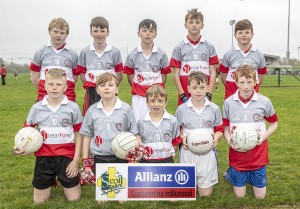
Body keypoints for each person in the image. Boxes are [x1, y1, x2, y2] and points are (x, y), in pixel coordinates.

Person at [12, 68, 83, 203]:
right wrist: (21, 147)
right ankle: (50, 178)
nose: (54, 88)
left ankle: (61, 177)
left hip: (66, 157)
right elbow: (26, 132)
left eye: (59, 84)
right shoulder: (37, 108)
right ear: (44, 86)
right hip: (43, 157)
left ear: (66, 87)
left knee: (74, 199)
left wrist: (75, 161)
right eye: (51, 84)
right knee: (40, 202)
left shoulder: (73, 107)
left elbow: (79, 134)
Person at [79, 72, 138, 203]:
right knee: (103, 200)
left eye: (110, 85)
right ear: (97, 90)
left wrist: (135, 153)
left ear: (116, 89)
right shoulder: (92, 110)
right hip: (100, 156)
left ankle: (119, 184)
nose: (106, 88)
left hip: (120, 157)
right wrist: (86, 161)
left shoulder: (125, 109)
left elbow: (133, 133)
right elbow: (87, 135)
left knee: (121, 200)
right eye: (102, 85)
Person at [222, 64, 278, 199]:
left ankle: (249, 174)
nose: (246, 86)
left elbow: (273, 124)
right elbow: (225, 127)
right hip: (237, 155)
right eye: (241, 82)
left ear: (255, 81)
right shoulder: (229, 103)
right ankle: (232, 173)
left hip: (258, 154)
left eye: (249, 82)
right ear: (235, 82)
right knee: (239, 196)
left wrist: (263, 137)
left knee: (260, 197)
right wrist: (229, 140)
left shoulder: (264, 101)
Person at [175, 71, 223, 197]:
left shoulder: (214, 108)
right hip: (188, 154)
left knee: (205, 195)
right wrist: (182, 138)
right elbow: (176, 132)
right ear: (188, 88)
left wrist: (216, 137)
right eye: (194, 87)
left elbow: (220, 130)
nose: (198, 91)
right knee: (188, 192)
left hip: (208, 154)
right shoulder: (181, 109)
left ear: (207, 88)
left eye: (202, 87)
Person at [123, 19, 171, 122]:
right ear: (138, 33)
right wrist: (140, 88)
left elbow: (164, 75)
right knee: (138, 121)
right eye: (144, 30)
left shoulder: (161, 54)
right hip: (138, 96)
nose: (148, 34)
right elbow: (130, 77)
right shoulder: (132, 55)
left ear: (155, 34)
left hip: (156, 96)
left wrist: (156, 90)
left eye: (151, 31)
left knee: (156, 121)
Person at [170, 8, 219, 106]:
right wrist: (182, 95)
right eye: (191, 22)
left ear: (202, 25)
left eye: (197, 22)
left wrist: (209, 93)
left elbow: (213, 72)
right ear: (185, 25)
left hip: (204, 95)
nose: (194, 24)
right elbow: (175, 75)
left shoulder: (209, 46)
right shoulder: (178, 48)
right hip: (185, 96)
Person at [77, 16, 123, 116]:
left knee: (111, 115)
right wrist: (95, 87)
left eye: (102, 31)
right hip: (92, 91)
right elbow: (82, 74)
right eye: (95, 31)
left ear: (108, 32)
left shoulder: (115, 52)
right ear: (91, 32)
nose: (99, 34)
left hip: (110, 90)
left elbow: (119, 75)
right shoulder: (85, 52)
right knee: (92, 117)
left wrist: (110, 86)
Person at [29, 18, 79, 102]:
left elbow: (74, 78)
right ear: (49, 31)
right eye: (56, 32)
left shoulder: (73, 54)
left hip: (67, 98)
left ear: (66, 35)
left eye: (62, 33)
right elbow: (34, 77)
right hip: (44, 98)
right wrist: (46, 90)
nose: (59, 35)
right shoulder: (40, 52)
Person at [219, 19, 267, 99]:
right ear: (235, 35)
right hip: (232, 97)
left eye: (247, 32)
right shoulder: (228, 54)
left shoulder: (259, 55)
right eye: (240, 32)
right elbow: (223, 76)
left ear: (252, 34)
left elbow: (260, 77)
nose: (243, 35)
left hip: (252, 98)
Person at [137, 85, 181, 163]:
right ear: (147, 102)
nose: (156, 104)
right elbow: (138, 142)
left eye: (160, 101)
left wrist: (167, 154)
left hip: (167, 161)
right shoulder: (141, 122)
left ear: (165, 102)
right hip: (146, 162)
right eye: (153, 101)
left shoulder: (172, 121)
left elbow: (175, 142)